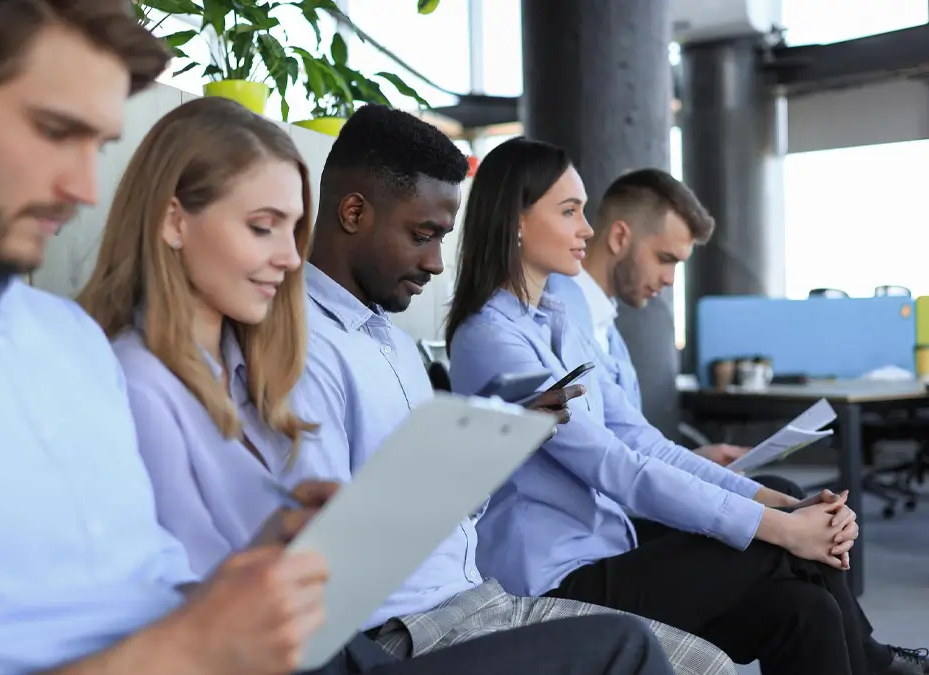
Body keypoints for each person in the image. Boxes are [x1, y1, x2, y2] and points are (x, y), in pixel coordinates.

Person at [0, 3, 677, 674]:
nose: (80, 186)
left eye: (97, 146)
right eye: (53, 130)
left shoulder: (62, 339)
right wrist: (193, 640)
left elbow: (148, 582)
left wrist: (272, 554)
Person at [75, 94, 679, 675]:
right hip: (334, 646)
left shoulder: (233, 366)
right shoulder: (145, 382)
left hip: (347, 639)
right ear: (175, 221)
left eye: (293, 229)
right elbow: (194, 593)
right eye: (264, 228)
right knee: (626, 646)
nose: (291, 257)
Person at [445, 136, 929, 675]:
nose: (587, 227)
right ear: (516, 218)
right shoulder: (489, 338)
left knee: (805, 608)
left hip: (608, 546)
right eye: (570, 211)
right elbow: (613, 465)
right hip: (553, 578)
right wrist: (784, 524)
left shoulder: (559, 324)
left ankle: (871, 661)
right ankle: (876, 664)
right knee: (782, 541)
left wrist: (773, 500)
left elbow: (642, 441)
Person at [293, 105, 737, 675]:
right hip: (406, 628)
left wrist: (495, 446)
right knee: (650, 651)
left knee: (713, 667)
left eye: (442, 239)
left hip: (478, 595)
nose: (434, 262)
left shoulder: (395, 345)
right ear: (353, 212)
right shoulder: (305, 348)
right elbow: (331, 549)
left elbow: (447, 514)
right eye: (422, 235)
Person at [542, 168, 806, 504]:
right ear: (620, 238)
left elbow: (624, 440)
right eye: (665, 259)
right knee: (782, 504)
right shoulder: (559, 318)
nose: (669, 279)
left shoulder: (604, 324)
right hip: (597, 523)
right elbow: (606, 461)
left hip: (621, 508)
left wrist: (694, 462)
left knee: (782, 497)